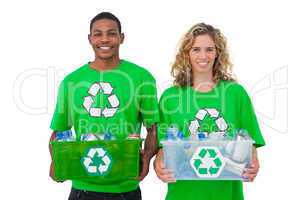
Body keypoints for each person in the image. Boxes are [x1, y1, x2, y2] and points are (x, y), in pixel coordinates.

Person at [49, 12, 159, 200]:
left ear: (121, 37)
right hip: (82, 187)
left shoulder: (142, 78)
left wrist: (147, 159)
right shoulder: (71, 82)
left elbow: (153, 128)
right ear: (90, 38)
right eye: (98, 34)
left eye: (111, 33)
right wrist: (56, 161)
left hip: (126, 186)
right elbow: (59, 131)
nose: (105, 39)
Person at [154, 23, 265, 200]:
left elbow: (248, 139)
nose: (203, 56)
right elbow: (163, 146)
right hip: (183, 194)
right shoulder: (170, 97)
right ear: (186, 54)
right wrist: (158, 163)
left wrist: (253, 162)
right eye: (196, 49)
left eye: (209, 49)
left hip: (226, 194)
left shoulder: (235, 94)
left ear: (218, 53)